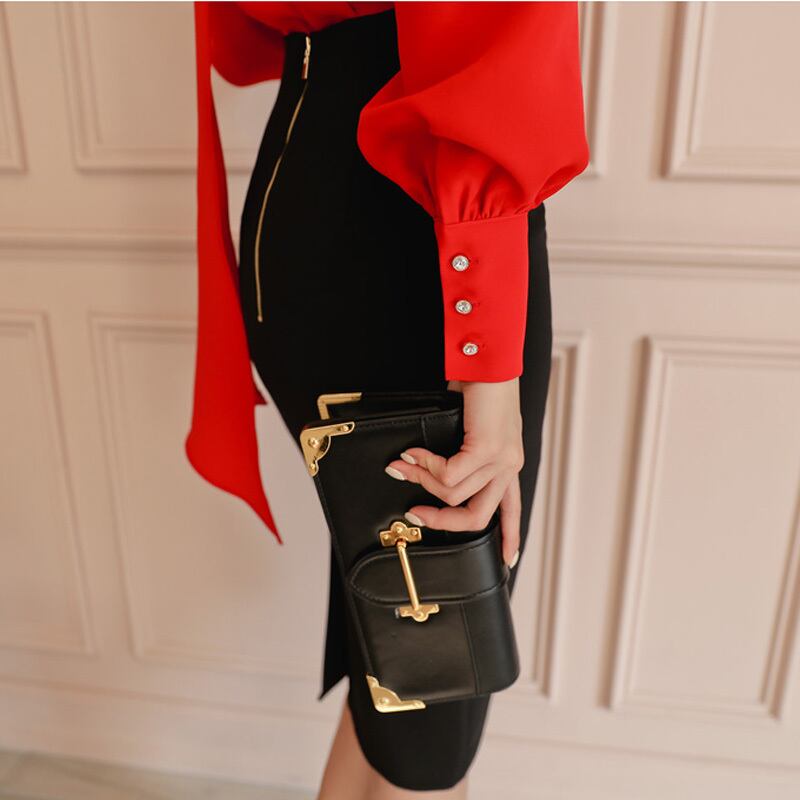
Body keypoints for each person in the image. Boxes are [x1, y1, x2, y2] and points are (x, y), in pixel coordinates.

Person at [190, 2, 589, 795]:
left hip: (314, 183)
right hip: (414, 223)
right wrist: (488, 375)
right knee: (432, 716)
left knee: (403, 676)